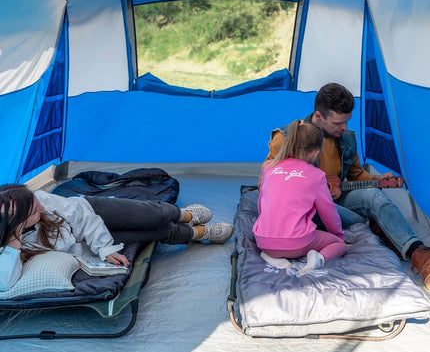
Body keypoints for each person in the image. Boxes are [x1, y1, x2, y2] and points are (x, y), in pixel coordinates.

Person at [263, 82, 430, 287]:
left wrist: (377, 181)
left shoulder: (346, 138)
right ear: (319, 116)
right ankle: (379, 227)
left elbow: (356, 174)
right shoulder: (288, 136)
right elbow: (267, 183)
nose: (345, 128)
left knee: (374, 196)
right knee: (351, 216)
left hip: (335, 199)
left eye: (347, 122)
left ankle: (420, 255)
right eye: (338, 123)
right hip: (305, 205)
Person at [0, 183, 233, 291]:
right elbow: (5, 282)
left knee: (152, 214)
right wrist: (14, 240)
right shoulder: (14, 243)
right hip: (83, 243)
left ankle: (185, 214)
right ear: (17, 223)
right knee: (152, 233)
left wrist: (106, 248)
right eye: (34, 209)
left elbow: (83, 218)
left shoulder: (44, 202)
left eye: (36, 201)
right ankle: (197, 233)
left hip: (91, 212)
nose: (40, 204)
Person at [254, 120, 346, 273]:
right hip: (299, 242)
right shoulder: (316, 175)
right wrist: (338, 235)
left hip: (263, 240)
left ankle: (270, 256)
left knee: (274, 243)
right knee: (339, 245)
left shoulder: (269, 168)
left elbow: (261, 205)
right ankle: (319, 258)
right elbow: (328, 212)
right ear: (316, 152)